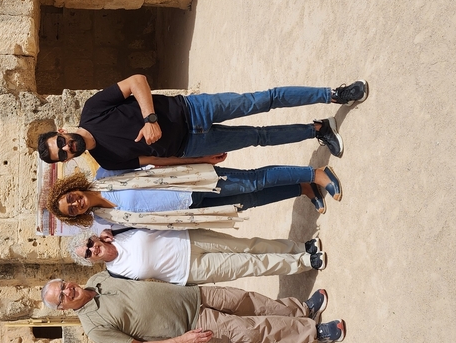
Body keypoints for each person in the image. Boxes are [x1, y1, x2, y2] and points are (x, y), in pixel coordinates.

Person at [36, 74, 368, 169]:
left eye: (61, 142)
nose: (67, 148)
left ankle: (334, 94)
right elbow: (152, 160)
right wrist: (200, 159)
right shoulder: (105, 161)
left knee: (262, 100)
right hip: (193, 144)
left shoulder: (93, 109)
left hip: (192, 111)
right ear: (66, 160)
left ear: (62, 132)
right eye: (62, 154)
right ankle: (318, 130)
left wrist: (150, 118)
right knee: (259, 138)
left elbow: (137, 81)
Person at [41, 272, 345, 343]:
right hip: (191, 324)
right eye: (62, 297)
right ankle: (313, 333)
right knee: (252, 332)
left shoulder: (97, 279)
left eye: (64, 285)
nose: (68, 291)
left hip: (193, 293)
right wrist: (182, 341)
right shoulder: (93, 327)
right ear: (62, 308)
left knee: (250, 302)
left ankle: (300, 310)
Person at [44, 162, 342, 229]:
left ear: (72, 189)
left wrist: (193, 158)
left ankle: (315, 174)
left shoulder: (105, 174)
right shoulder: (105, 220)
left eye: (70, 199)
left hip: (191, 181)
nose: (75, 204)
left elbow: (148, 161)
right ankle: (300, 188)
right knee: (248, 201)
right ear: (77, 216)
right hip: (188, 211)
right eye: (71, 210)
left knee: (252, 181)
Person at [70, 226, 327, 284]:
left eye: (89, 244)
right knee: (249, 265)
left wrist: (109, 228)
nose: (93, 250)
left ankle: (301, 248)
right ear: (90, 261)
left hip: (190, 238)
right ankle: (305, 263)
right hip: (190, 271)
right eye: (88, 254)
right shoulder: (115, 274)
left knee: (248, 245)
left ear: (93, 238)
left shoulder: (117, 229)